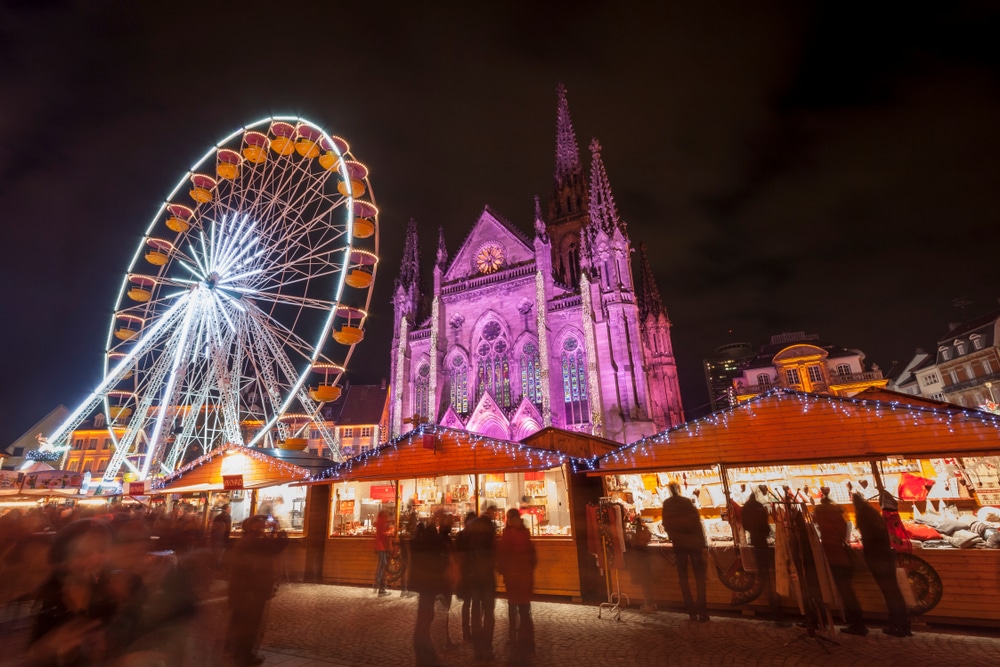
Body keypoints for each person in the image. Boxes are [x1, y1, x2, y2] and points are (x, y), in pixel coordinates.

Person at [27, 519, 142, 667]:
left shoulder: (118, 590)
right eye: (82, 554)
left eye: (101, 550)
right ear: (62, 560)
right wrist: (45, 650)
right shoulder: (41, 601)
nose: (95, 559)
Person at [226, 515, 288, 666]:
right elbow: (279, 545)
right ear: (252, 526)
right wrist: (277, 529)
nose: (263, 523)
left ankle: (232, 651)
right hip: (252, 591)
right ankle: (244, 657)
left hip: (244, 590)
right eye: (259, 521)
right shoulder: (254, 542)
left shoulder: (247, 540)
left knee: (239, 622)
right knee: (249, 626)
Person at [852, 492, 911, 637]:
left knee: (888, 593)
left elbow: (868, 540)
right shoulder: (875, 516)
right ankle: (903, 625)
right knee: (894, 592)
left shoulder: (863, 517)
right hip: (886, 556)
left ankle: (896, 625)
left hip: (877, 559)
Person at [813, 488, 866, 635]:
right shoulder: (840, 517)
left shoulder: (822, 517)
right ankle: (858, 623)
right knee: (847, 592)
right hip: (843, 557)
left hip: (832, 557)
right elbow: (843, 535)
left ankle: (856, 624)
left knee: (837, 591)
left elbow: (820, 534)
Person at [660, 482, 709, 622]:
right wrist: (703, 544)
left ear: (669, 490)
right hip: (693, 544)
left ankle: (691, 612)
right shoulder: (687, 502)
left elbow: (665, 523)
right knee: (699, 579)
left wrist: (673, 536)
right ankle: (702, 612)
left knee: (683, 579)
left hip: (679, 545)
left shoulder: (667, 504)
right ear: (679, 489)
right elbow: (697, 522)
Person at [410, 510, 452, 667]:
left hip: (424, 585)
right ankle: (424, 655)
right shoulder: (434, 539)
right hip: (429, 586)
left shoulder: (424, 538)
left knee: (425, 619)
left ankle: (427, 654)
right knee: (426, 620)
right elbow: (438, 563)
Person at [497, 508, 537, 657]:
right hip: (518, 578)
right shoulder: (522, 534)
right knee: (520, 608)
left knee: (520, 609)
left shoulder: (510, 535)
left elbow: (504, 555)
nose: (509, 521)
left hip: (518, 577)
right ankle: (522, 638)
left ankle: (520, 638)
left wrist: (503, 569)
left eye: (510, 518)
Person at [741, 492, 785, 624]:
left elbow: (745, 525)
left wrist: (753, 533)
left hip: (756, 541)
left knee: (764, 576)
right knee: (770, 577)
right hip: (763, 542)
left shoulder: (746, 508)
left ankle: (772, 609)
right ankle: (777, 608)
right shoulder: (759, 506)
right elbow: (765, 522)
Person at [464, 506, 499, 662]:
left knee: (476, 612)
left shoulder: (471, 529)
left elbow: (466, 553)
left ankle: (478, 649)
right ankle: (488, 648)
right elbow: (494, 551)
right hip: (487, 577)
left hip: (474, 576)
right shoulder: (491, 528)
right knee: (489, 613)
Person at [455, 511, 479, 641]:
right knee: (467, 603)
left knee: (474, 603)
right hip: (466, 574)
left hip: (474, 574)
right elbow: (458, 556)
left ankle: (474, 630)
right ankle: (466, 631)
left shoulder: (473, 537)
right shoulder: (462, 536)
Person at [373, 510, 392, 596]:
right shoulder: (382, 522)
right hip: (381, 546)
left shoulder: (380, 521)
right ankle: (378, 580)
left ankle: (379, 583)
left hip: (380, 546)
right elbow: (382, 534)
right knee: (382, 563)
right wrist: (388, 533)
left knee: (382, 563)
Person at [210, 504, 232, 571]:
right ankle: (217, 567)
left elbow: (213, 527)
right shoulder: (227, 516)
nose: (230, 510)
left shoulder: (218, 516)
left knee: (215, 553)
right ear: (227, 509)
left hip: (215, 537)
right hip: (221, 538)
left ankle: (214, 567)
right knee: (219, 553)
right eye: (230, 508)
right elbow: (228, 528)